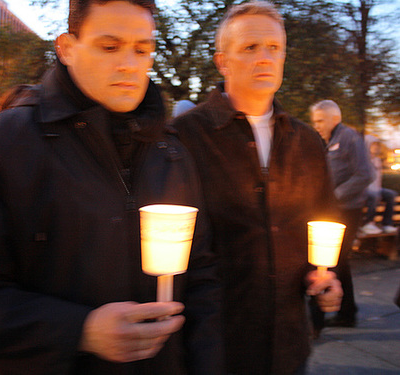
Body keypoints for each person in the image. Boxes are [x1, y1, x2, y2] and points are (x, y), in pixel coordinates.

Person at [0, 1, 223, 374]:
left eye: (142, 49)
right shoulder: (2, 143)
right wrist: (80, 330)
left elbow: (200, 279)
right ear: (66, 48)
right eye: (109, 47)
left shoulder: (172, 152)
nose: (130, 64)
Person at [170, 2, 343, 374]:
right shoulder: (185, 138)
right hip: (213, 344)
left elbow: (323, 219)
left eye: (274, 48)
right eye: (250, 48)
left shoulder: (307, 141)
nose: (265, 58)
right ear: (222, 62)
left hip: (289, 343)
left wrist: (328, 277)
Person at [310, 99, 373, 330]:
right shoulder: (328, 140)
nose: (315, 125)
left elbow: (365, 174)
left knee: (329, 263)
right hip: (334, 210)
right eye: (314, 120)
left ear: (334, 119)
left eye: (320, 120)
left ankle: (315, 323)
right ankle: (347, 314)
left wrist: (335, 195)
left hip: (347, 211)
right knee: (340, 263)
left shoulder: (349, 137)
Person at [360, 135, 398, 235]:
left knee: (391, 194)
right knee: (373, 195)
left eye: (377, 145)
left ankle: (387, 223)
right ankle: (368, 223)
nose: (376, 147)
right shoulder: (362, 160)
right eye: (374, 145)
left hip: (376, 189)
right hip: (364, 190)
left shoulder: (377, 160)